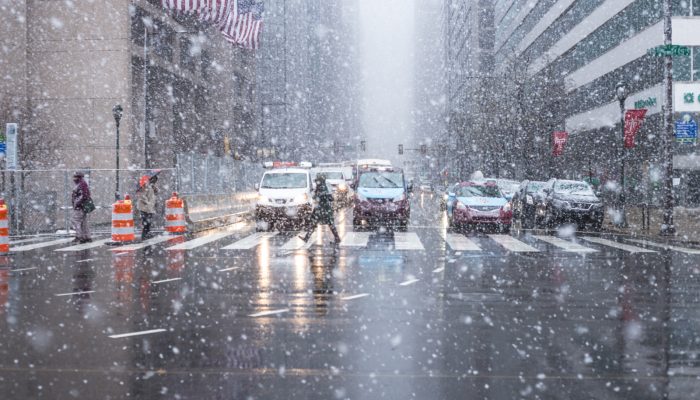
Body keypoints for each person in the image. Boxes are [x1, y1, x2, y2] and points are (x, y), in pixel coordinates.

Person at [300, 175, 341, 244]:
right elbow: (328, 197)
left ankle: (307, 238)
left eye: (317, 181)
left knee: (319, 223)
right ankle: (307, 237)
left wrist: (317, 196)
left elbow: (320, 197)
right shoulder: (322, 187)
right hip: (323, 208)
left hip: (323, 209)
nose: (316, 182)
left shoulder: (322, 187)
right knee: (327, 224)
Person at [71, 172, 92, 243]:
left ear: (79, 177)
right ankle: (86, 237)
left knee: (76, 221)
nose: (74, 179)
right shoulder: (83, 184)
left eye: (75, 177)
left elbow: (83, 196)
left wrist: (76, 203)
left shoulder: (81, 184)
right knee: (83, 222)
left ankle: (79, 236)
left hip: (79, 207)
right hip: (82, 207)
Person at [136, 175, 158, 240]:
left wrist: (155, 189)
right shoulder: (145, 186)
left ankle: (147, 234)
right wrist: (147, 203)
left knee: (149, 222)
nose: (155, 182)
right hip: (144, 207)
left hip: (150, 208)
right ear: (151, 180)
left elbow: (153, 195)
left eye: (155, 180)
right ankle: (144, 236)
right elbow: (142, 196)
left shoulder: (152, 187)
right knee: (145, 222)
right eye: (154, 180)